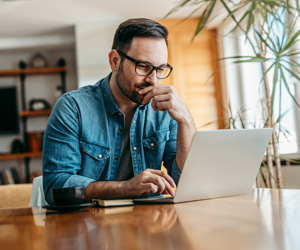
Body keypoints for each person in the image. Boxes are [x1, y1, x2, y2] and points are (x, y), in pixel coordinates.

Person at [43, 18, 196, 204]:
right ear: (115, 61)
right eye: (143, 67)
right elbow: (56, 185)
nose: (154, 80)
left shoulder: (166, 110)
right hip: (89, 225)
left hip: (150, 225)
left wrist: (185, 121)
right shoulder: (72, 107)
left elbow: (187, 180)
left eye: (160, 69)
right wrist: (126, 188)